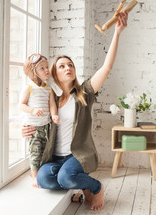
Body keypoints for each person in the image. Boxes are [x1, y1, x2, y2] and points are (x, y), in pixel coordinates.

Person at [21, 12, 128, 210]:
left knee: (66, 177)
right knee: (44, 180)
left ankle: (95, 187)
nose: (68, 67)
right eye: (62, 66)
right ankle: (79, 182)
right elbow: (36, 121)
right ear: (54, 73)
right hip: (54, 158)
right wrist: (26, 130)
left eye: (70, 65)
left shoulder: (84, 93)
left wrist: (117, 33)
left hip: (76, 155)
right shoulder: (49, 98)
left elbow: (106, 67)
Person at [20, 53, 59, 187]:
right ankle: (35, 176)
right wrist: (32, 111)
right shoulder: (29, 87)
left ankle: (36, 172)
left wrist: (54, 115)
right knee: (35, 151)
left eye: (47, 67)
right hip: (34, 126)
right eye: (42, 68)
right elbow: (21, 104)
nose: (46, 70)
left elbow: (52, 104)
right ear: (34, 72)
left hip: (45, 126)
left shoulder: (48, 88)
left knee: (43, 151)